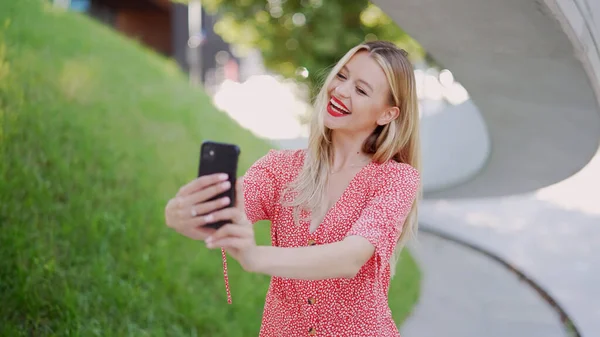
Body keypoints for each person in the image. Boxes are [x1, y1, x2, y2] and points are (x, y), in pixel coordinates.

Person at [164, 40, 422, 337]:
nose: (340, 90)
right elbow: (223, 214)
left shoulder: (397, 180)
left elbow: (351, 257)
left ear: (387, 114)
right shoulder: (279, 168)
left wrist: (255, 256)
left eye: (361, 90)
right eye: (341, 76)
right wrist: (181, 214)